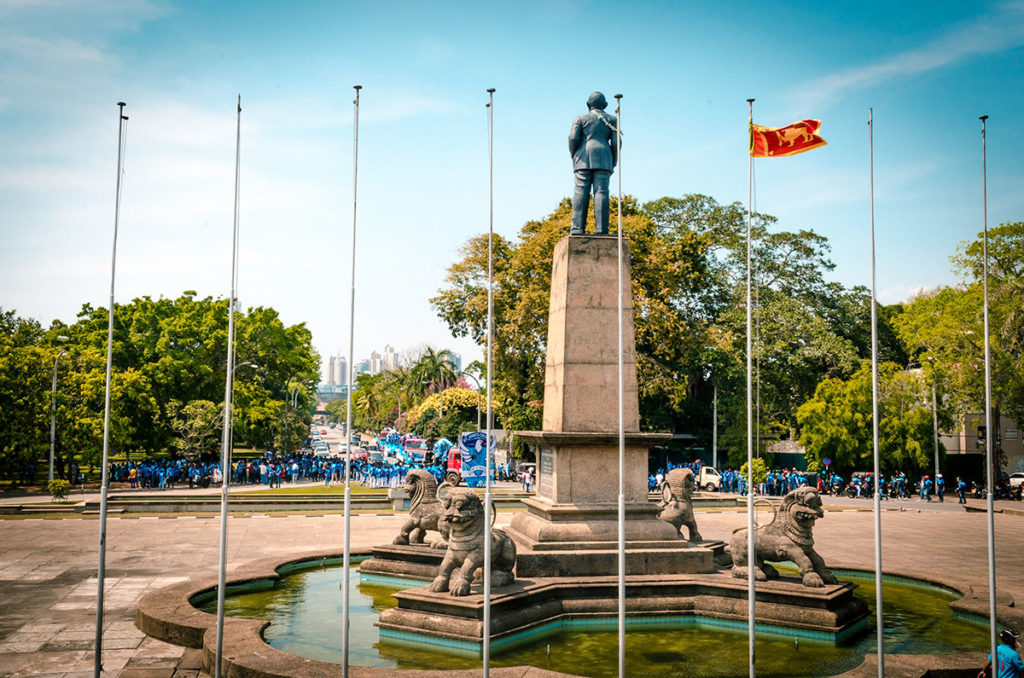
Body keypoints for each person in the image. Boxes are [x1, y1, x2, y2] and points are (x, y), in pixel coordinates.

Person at [568, 92, 618, 236]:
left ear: (588, 105)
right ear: (606, 105)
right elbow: (616, 143)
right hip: (604, 157)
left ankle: (577, 228)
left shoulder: (580, 119)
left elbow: (573, 138)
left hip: (582, 157)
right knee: (602, 192)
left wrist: (574, 155)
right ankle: (602, 230)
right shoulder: (613, 120)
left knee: (580, 191)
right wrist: (613, 160)